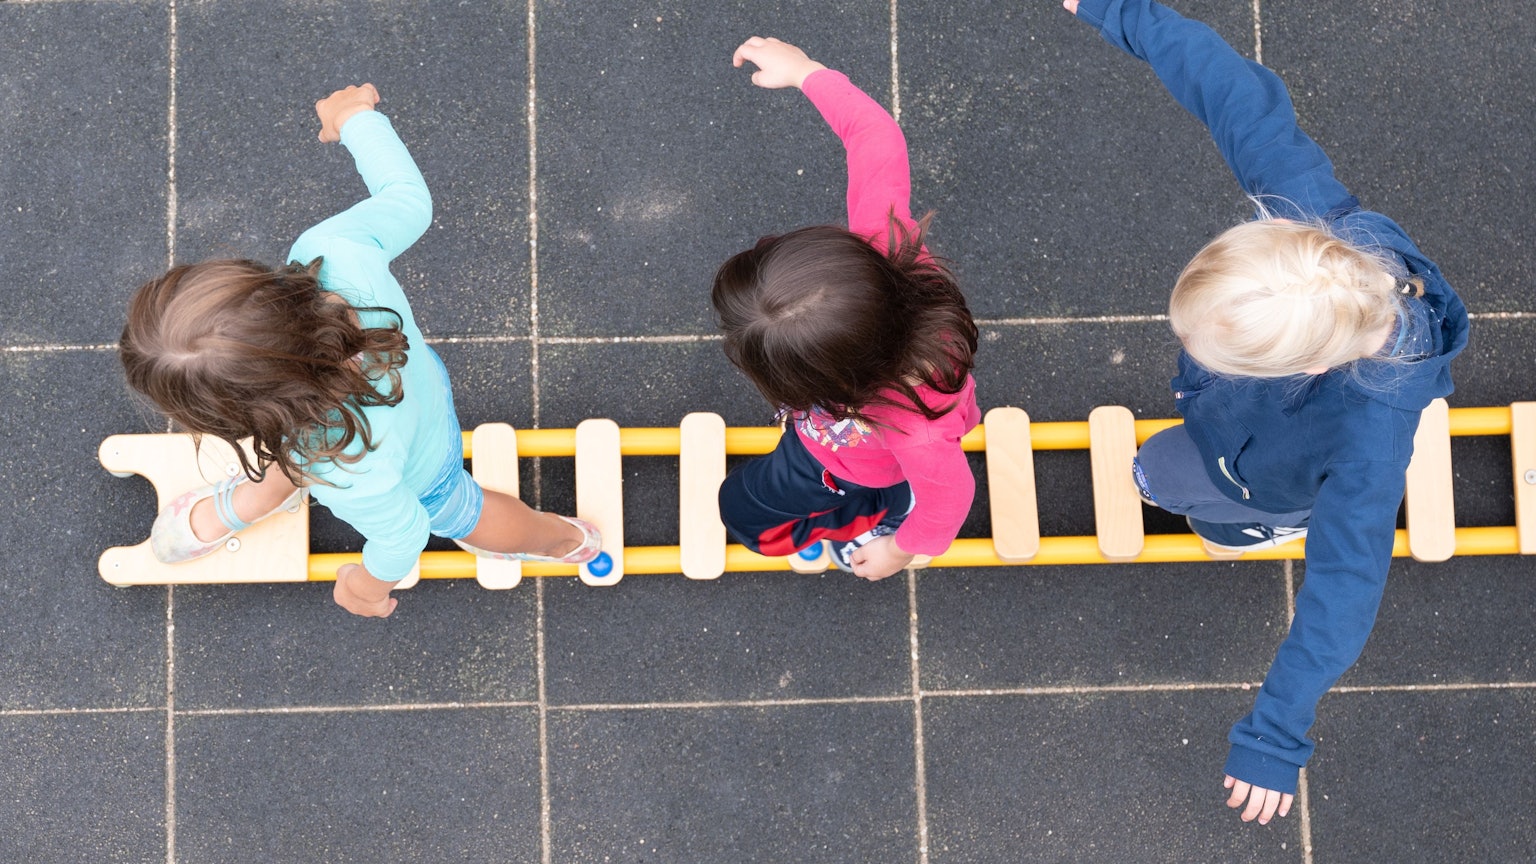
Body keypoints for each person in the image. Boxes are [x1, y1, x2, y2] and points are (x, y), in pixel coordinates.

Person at [1064, 0, 1468, 825]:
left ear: (1313, 363)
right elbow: (1234, 93)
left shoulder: (1367, 440)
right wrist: (1119, 11)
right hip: (1239, 425)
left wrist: (1274, 738)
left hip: (1266, 472)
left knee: (1165, 478)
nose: (1189, 345)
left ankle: (1266, 523)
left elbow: (1345, 591)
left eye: (1213, 347)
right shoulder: (1314, 229)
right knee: (1158, 467)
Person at [119, 84, 601, 617]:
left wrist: (368, 586)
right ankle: (263, 493)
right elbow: (407, 200)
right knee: (306, 447)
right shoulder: (329, 255)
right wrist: (356, 119)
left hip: (416, 466)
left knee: (458, 509)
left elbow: (405, 534)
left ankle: (560, 539)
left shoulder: (341, 464)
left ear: (233, 418)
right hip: (412, 385)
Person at [712, 37, 981, 582]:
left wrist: (898, 550)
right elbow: (873, 136)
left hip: (851, 468)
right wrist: (809, 72)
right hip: (839, 437)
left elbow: (951, 500)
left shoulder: (914, 432)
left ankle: (877, 512)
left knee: (742, 514)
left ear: (827, 382)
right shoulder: (884, 243)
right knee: (744, 497)